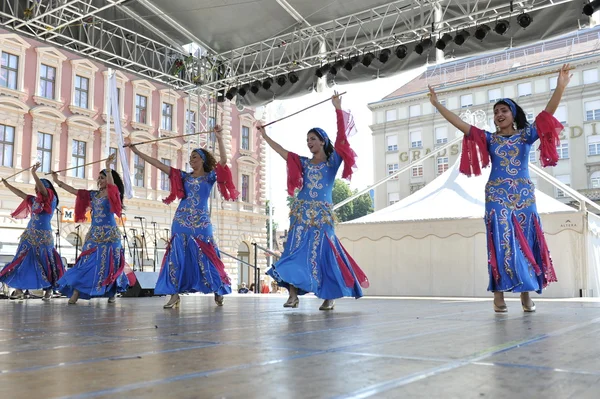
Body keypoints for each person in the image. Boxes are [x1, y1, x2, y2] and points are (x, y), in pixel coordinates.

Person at [428, 64, 572, 313]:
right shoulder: (489, 139)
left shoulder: (526, 135)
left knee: (525, 241)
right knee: (500, 241)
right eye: (495, 112)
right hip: (496, 196)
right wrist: (438, 105)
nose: (498, 115)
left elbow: (548, 113)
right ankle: (499, 294)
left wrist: (560, 86)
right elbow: (461, 124)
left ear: (513, 114)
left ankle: (526, 293)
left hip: (524, 197)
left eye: (503, 110)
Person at [259, 91, 369, 310]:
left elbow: (342, 138)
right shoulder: (304, 163)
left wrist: (337, 108)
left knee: (324, 255)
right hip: (300, 213)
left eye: (312, 139)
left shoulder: (332, 162)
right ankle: (292, 296)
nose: (309, 143)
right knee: (293, 251)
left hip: (322, 216)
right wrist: (264, 136)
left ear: (322, 141)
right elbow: (283, 152)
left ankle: (329, 297)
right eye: (307, 140)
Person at [125, 125, 238, 309]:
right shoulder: (183, 177)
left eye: (194, 157)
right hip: (181, 221)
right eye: (190, 157)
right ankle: (174, 295)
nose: (191, 160)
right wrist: (136, 150)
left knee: (208, 256)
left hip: (201, 222)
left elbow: (224, 160)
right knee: (176, 258)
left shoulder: (209, 177)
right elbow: (157, 164)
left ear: (202, 160)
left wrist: (218, 138)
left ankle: (218, 288)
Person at [52, 154, 132, 304]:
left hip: (110, 235)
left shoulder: (112, 193)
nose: (100, 180)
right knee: (85, 262)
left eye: (103, 178)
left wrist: (108, 168)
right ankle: (76, 291)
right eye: (99, 178)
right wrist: (57, 181)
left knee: (111, 264)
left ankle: (111, 292)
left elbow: (112, 186)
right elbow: (75, 191)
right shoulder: (93, 195)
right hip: (94, 235)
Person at [0, 163, 65, 300]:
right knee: (21, 261)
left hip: (44, 236)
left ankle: (49, 289)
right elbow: (20, 194)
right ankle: (19, 290)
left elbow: (43, 189)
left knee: (45, 262)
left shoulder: (50, 199)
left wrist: (34, 174)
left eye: (39, 186)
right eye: (36, 187)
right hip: (29, 235)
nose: (37, 189)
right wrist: (7, 185)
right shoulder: (34, 200)